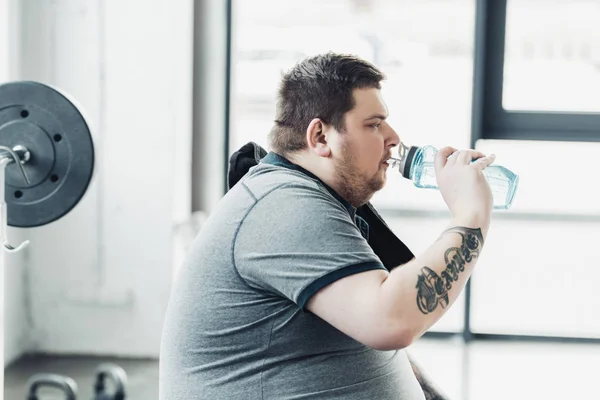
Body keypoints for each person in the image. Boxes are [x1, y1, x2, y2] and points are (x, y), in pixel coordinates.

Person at [159, 52, 495, 399]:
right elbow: (391, 322)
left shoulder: (312, 199)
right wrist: (470, 214)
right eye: (374, 124)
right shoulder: (283, 206)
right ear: (320, 137)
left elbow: (377, 337)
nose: (393, 138)